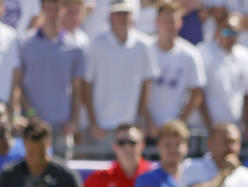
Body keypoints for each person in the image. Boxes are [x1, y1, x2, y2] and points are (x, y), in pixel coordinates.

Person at [13, 0, 86, 157]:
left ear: (63, 10)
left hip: (62, 128)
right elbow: (18, 84)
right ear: (42, 10)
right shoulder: (24, 43)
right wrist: (31, 113)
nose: (52, 13)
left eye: (57, 8)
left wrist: (73, 121)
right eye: (48, 8)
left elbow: (78, 90)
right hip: (31, 126)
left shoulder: (75, 47)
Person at [83, 0, 157, 153]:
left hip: (129, 129)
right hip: (102, 129)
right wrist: (93, 123)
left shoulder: (143, 45)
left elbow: (146, 85)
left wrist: (139, 120)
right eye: (118, 14)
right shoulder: (97, 44)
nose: (122, 18)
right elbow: (86, 85)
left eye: (126, 14)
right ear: (111, 16)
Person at [146, 1, 206, 140]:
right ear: (156, 22)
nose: (168, 26)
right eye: (164, 21)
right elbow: (137, 88)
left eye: (172, 21)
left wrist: (179, 121)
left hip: (175, 131)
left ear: (180, 23)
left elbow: (197, 93)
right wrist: (148, 121)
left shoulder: (191, 54)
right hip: (147, 128)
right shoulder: (145, 49)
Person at [196, 12, 248, 137]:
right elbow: (198, 93)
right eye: (226, 32)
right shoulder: (203, 52)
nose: (230, 36)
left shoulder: (245, 56)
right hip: (204, 130)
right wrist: (210, 127)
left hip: (234, 131)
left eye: (234, 32)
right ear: (217, 32)